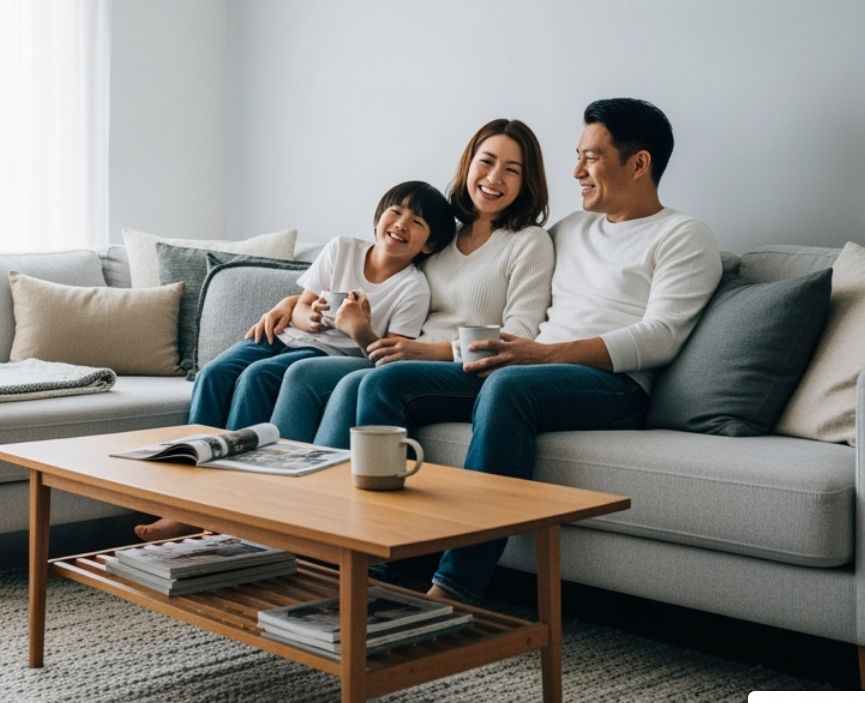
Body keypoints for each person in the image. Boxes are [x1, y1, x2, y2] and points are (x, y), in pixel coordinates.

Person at [352, 98, 722, 605]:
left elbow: (662, 335)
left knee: (509, 386)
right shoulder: (569, 230)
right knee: (386, 383)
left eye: (591, 157)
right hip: (528, 370)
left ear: (639, 163)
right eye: (578, 156)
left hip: (614, 387)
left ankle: (456, 589)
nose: (577, 171)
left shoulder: (682, 235)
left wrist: (544, 355)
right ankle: (369, 565)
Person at [132, 180, 456, 541]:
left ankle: (227, 501)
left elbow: (390, 358)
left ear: (428, 245)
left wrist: (358, 328)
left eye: (417, 222)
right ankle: (182, 501)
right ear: (378, 217)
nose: (401, 224)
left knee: (259, 377)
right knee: (213, 375)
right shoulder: (342, 249)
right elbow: (301, 307)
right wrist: (311, 318)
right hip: (282, 336)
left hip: (326, 353)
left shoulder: (412, 288)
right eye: (395, 212)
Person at [257, 118, 556, 446]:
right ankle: (282, 473)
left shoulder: (530, 242)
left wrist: (432, 352)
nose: (494, 177)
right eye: (486, 161)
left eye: (511, 170)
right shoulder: (441, 237)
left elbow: (519, 337)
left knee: (358, 382)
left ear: (526, 183)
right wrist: (293, 303)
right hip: (405, 357)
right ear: (468, 165)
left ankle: (323, 476)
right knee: (306, 374)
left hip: (467, 371)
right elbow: (387, 279)